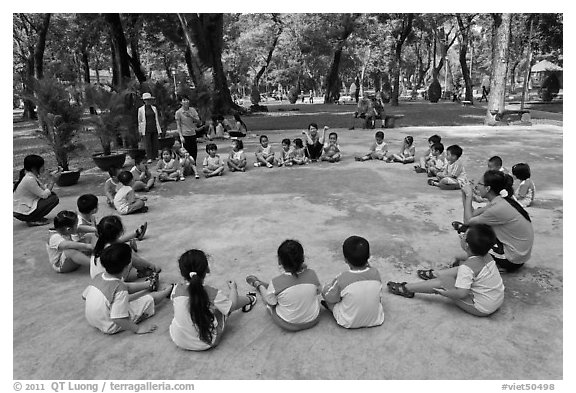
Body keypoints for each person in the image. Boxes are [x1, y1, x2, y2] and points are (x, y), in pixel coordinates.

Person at [387, 224, 505, 317]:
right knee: (461, 270)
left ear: (467, 246)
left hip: (481, 307)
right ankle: (434, 274)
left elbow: (461, 293)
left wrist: (444, 293)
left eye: (464, 236)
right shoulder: (487, 256)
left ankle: (407, 288)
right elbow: (469, 259)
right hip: (496, 298)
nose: (462, 236)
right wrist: (458, 257)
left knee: (443, 282)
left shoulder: (467, 268)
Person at [169, 249, 257, 351]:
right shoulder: (212, 294)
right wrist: (233, 289)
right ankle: (250, 299)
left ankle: (249, 299)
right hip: (205, 343)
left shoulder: (176, 289)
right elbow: (232, 306)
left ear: (182, 272)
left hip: (178, 339)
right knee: (223, 308)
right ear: (207, 270)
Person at [452, 170, 534, 273]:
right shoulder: (500, 200)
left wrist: (469, 195)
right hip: (519, 254)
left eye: (480, 184)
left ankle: (489, 264)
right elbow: (473, 214)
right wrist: (465, 194)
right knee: (472, 228)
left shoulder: (498, 207)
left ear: (488, 188)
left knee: (467, 234)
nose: (477, 186)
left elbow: (467, 220)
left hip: (512, 259)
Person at [83, 243, 172, 335]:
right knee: (149, 299)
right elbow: (118, 318)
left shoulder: (99, 276)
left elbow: (84, 296)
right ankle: (169, 289)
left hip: (93, 319)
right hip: (110, 324)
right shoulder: (120, 289)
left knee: (121, 295)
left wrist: (147, 285)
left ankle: (149, 284)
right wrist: (138, 329)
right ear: (127, 267)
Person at [246, 240, 321, 332]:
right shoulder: (312, 274)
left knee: (270, 301)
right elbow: (318, 291)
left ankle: (259, 285)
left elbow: (270, 302)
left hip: (289, 324)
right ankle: (265, 286)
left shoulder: (276, 282)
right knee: (284, 292)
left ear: (279, 261)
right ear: (303, 258)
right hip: (313, 319)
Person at [321, 236, 385, 328]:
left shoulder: (342, 278)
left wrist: (324, 289)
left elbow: (330, 297)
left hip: (348, 321)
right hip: (376, 318)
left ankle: (331, 308)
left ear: (345, 260)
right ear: (369, 256)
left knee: (331, 299)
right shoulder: (375, 273)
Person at [90, 215, 161, 292]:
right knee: (129, 254)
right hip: (111, 281)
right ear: (118, 233)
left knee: (126, 250)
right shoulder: (113, 248)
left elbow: (118, 242)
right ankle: (150, 268)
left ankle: (143, 270)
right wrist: (152, 266)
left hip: (97, 279)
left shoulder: (100, 243)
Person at [75, 194, 147, 248]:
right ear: (94, 210)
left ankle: (136, 233)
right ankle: (130, 243)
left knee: (113, 239)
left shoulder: (91, 217)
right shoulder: (80, 223)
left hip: (95, 240)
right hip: (87, 246)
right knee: (112, 242)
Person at [13, 154, 60, 226]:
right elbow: (44, 195)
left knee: (51, 195)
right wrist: (52, 181)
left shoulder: (30, 175)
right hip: (22, 212)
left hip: (23, 208)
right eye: (42, 166)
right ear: (34, 168)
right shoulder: (29, 179)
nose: (44, 168)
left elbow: (43, 189)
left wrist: (50, 177)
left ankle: (34, 217)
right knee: (53, 199)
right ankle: (32, 219)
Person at [175, 95, 204, 162]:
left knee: (194, 151)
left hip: (193, 133)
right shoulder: (178, 112)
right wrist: (181, 136)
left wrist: (191, 116)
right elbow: (178, 125)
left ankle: (194, 166)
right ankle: (187, 167)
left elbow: (199, 122)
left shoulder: (192, 110)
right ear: (181, 102)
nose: (186, 102)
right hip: (185, 134)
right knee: (186, 153)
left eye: (187, 100)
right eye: (184, 100)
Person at [137, 92, 162, 163]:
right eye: (146, 100)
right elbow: (140, 120)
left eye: (149, 100)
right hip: (146, 128)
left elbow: (156, 119)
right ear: (144, 101)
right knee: (148, 143)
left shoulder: (154, 108)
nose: (148, 101)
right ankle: (149, 157)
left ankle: (155, 156)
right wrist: (140, 130)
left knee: (155, 142)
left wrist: (159, 129)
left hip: (154, 126)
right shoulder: (141, 109)